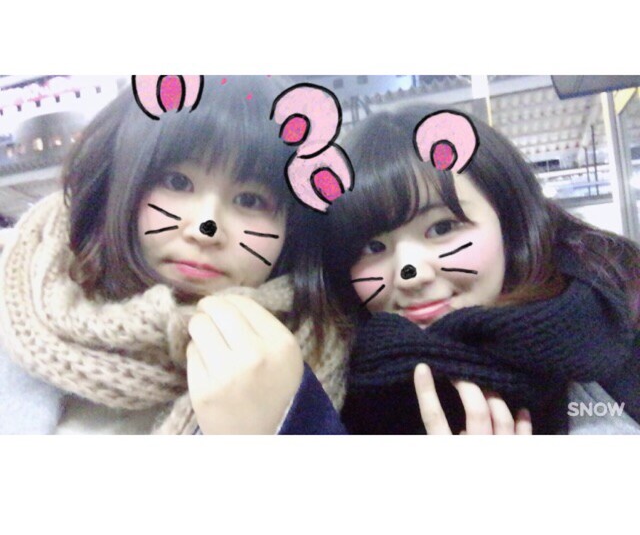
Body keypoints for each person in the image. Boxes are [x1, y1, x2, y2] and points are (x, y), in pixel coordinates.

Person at [0, 75, 348, 435]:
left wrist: (292, 423)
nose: (206, 229)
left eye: (250, 200)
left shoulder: (326, 352)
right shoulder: (17, 305)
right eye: (177, 182)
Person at [283, 104, 640, 435]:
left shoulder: (617, 331)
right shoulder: (325, 394)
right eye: (372, 247)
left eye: (442, 228)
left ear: (511, 221)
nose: (410, 273)